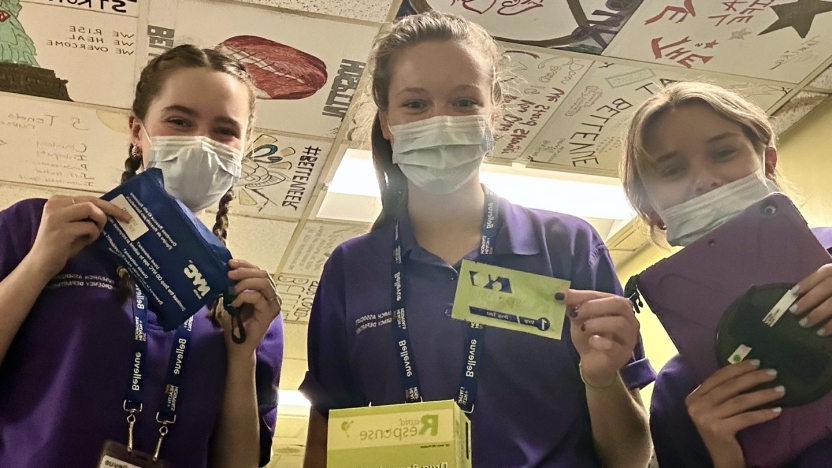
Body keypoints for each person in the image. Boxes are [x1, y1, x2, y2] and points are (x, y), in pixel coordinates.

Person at [301, 11, 655, 468]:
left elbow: (628, 457)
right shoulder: (352, 268)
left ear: (495, 109)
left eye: (464, 102)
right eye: (415, 105)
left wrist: (603, 381)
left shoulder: (568, 246)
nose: (441, 120)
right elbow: (327, 432)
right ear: (386, 121)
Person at [0, 45, 284, 468]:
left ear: (244, 149)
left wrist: (241, 355)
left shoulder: (246, 300)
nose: (201, 142)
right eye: (179, 121)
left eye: (225, 130)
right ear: (137, 130)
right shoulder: (40, 229)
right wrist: (40, 264)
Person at [620, 81, 832, 467]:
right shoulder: (685, 394)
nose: (705, 180)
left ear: (767, 164)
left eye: (723, 152)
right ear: (652, 212)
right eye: (672, 170)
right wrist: (727, 457)